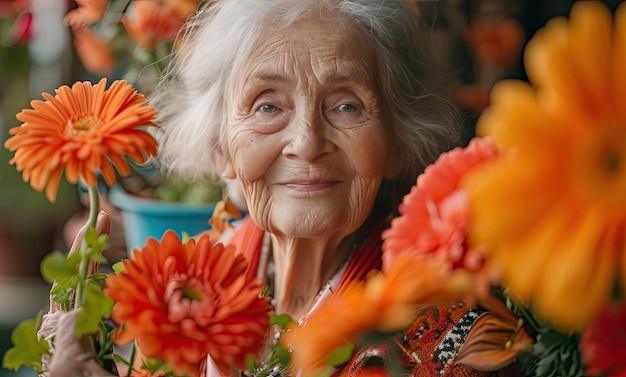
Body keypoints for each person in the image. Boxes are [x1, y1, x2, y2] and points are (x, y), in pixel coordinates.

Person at [49, 0, 519, 376]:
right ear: (220, 145)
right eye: (268, 106)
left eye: (348, 106)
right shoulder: (176, 292)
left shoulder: (455, 341)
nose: (307, 144)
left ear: (398, 141)